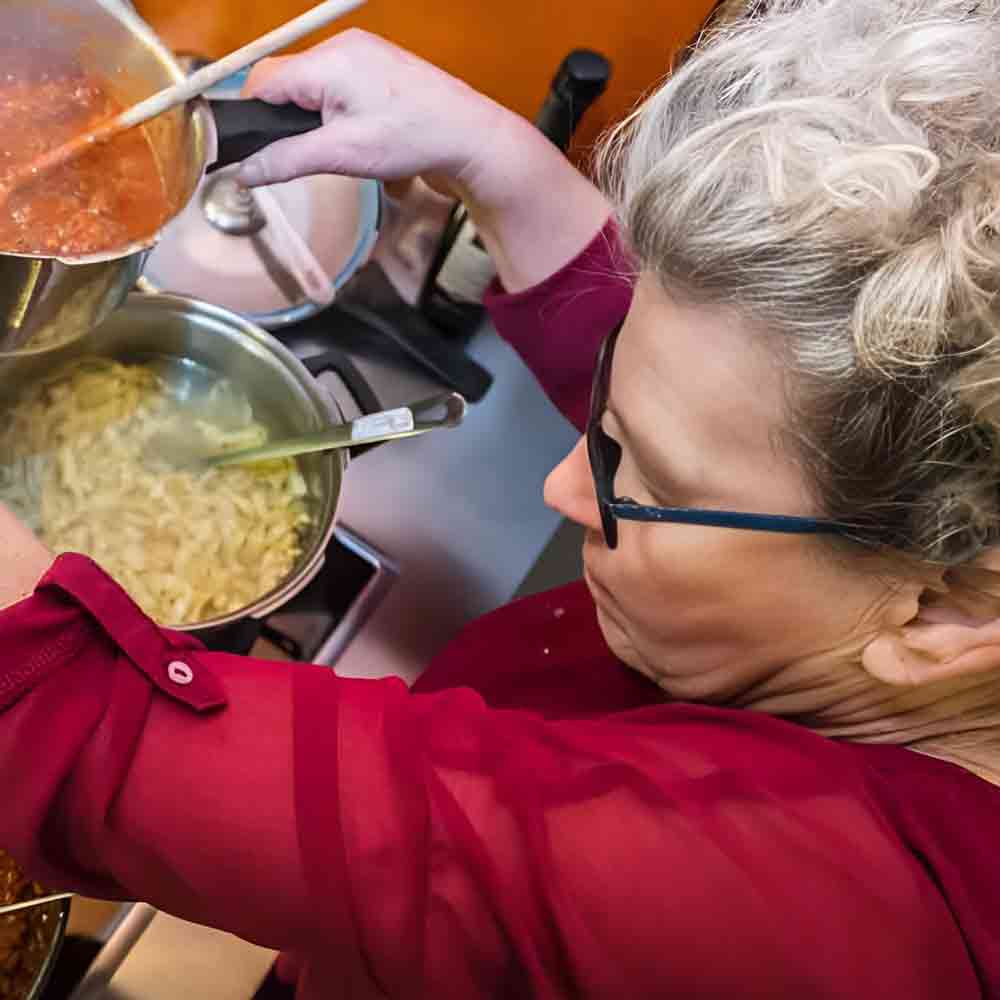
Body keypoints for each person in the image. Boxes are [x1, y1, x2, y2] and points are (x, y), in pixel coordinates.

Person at [3, 0, 1000, 995]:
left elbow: (74, 722)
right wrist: (498, 163)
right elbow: (738, 411)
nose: (561, 481)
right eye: (607, 432)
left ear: (943, 608)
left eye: (636, 480)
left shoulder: (795, 916)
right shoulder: (862, 579)